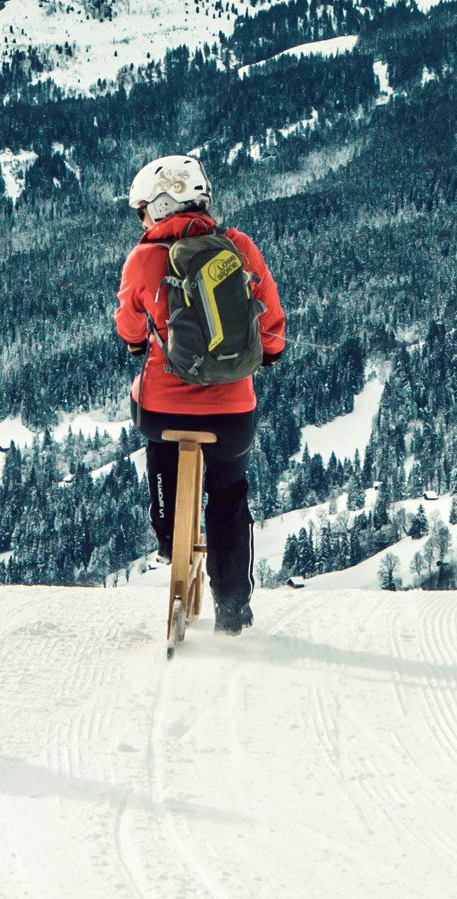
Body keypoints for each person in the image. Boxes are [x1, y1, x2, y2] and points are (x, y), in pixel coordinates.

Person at [114, 153, 286, 634]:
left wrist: (136, 341)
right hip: (231, 412)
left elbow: (128, 323)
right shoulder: (238, 247)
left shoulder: (143, 259)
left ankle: (170, 536)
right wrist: (268, 352)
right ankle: (233, 608)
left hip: (162, 408)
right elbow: (269, 318)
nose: (142, 219)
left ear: (164, 205)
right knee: (230, 492)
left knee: (158, 439)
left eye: (145, 209)